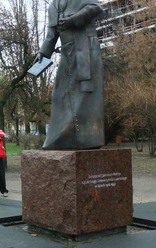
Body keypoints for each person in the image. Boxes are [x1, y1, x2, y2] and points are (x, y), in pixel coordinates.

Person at [34, 0, 104, 150]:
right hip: (68, 52)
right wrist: (43, 53)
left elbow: (96, 7)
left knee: (86, 95)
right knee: (59, 95)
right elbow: (51, 35)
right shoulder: (53, 7)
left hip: (86, 48)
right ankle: (60, 139)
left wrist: (74, 20)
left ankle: (88, 139)